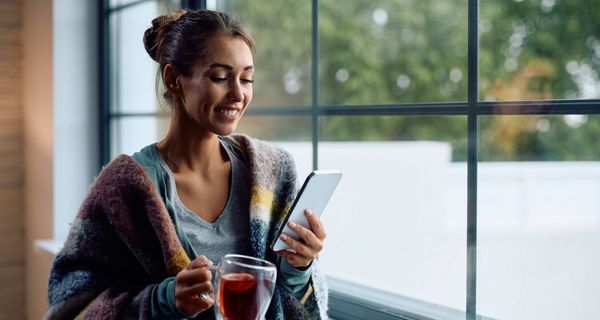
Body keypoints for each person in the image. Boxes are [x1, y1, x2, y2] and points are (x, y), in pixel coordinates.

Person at [45, 9, 328, 320]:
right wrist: (162, 300)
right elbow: (70, 305)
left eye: (246, 78)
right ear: (174, 80)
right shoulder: (123, 188)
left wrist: (299, 268)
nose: (238, 93)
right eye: (220, 77)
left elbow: (295, 300)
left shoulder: (274, 174)